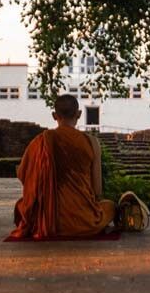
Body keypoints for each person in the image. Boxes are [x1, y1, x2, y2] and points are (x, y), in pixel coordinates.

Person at [9, 94, 116, 239]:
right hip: (84, 221)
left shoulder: (41, 141)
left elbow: (23, 175)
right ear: (79, 114)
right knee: (110, 206)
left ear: (54, 115)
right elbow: (97, 190)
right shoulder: (92, 142)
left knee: (21, 205)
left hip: (46, 220)